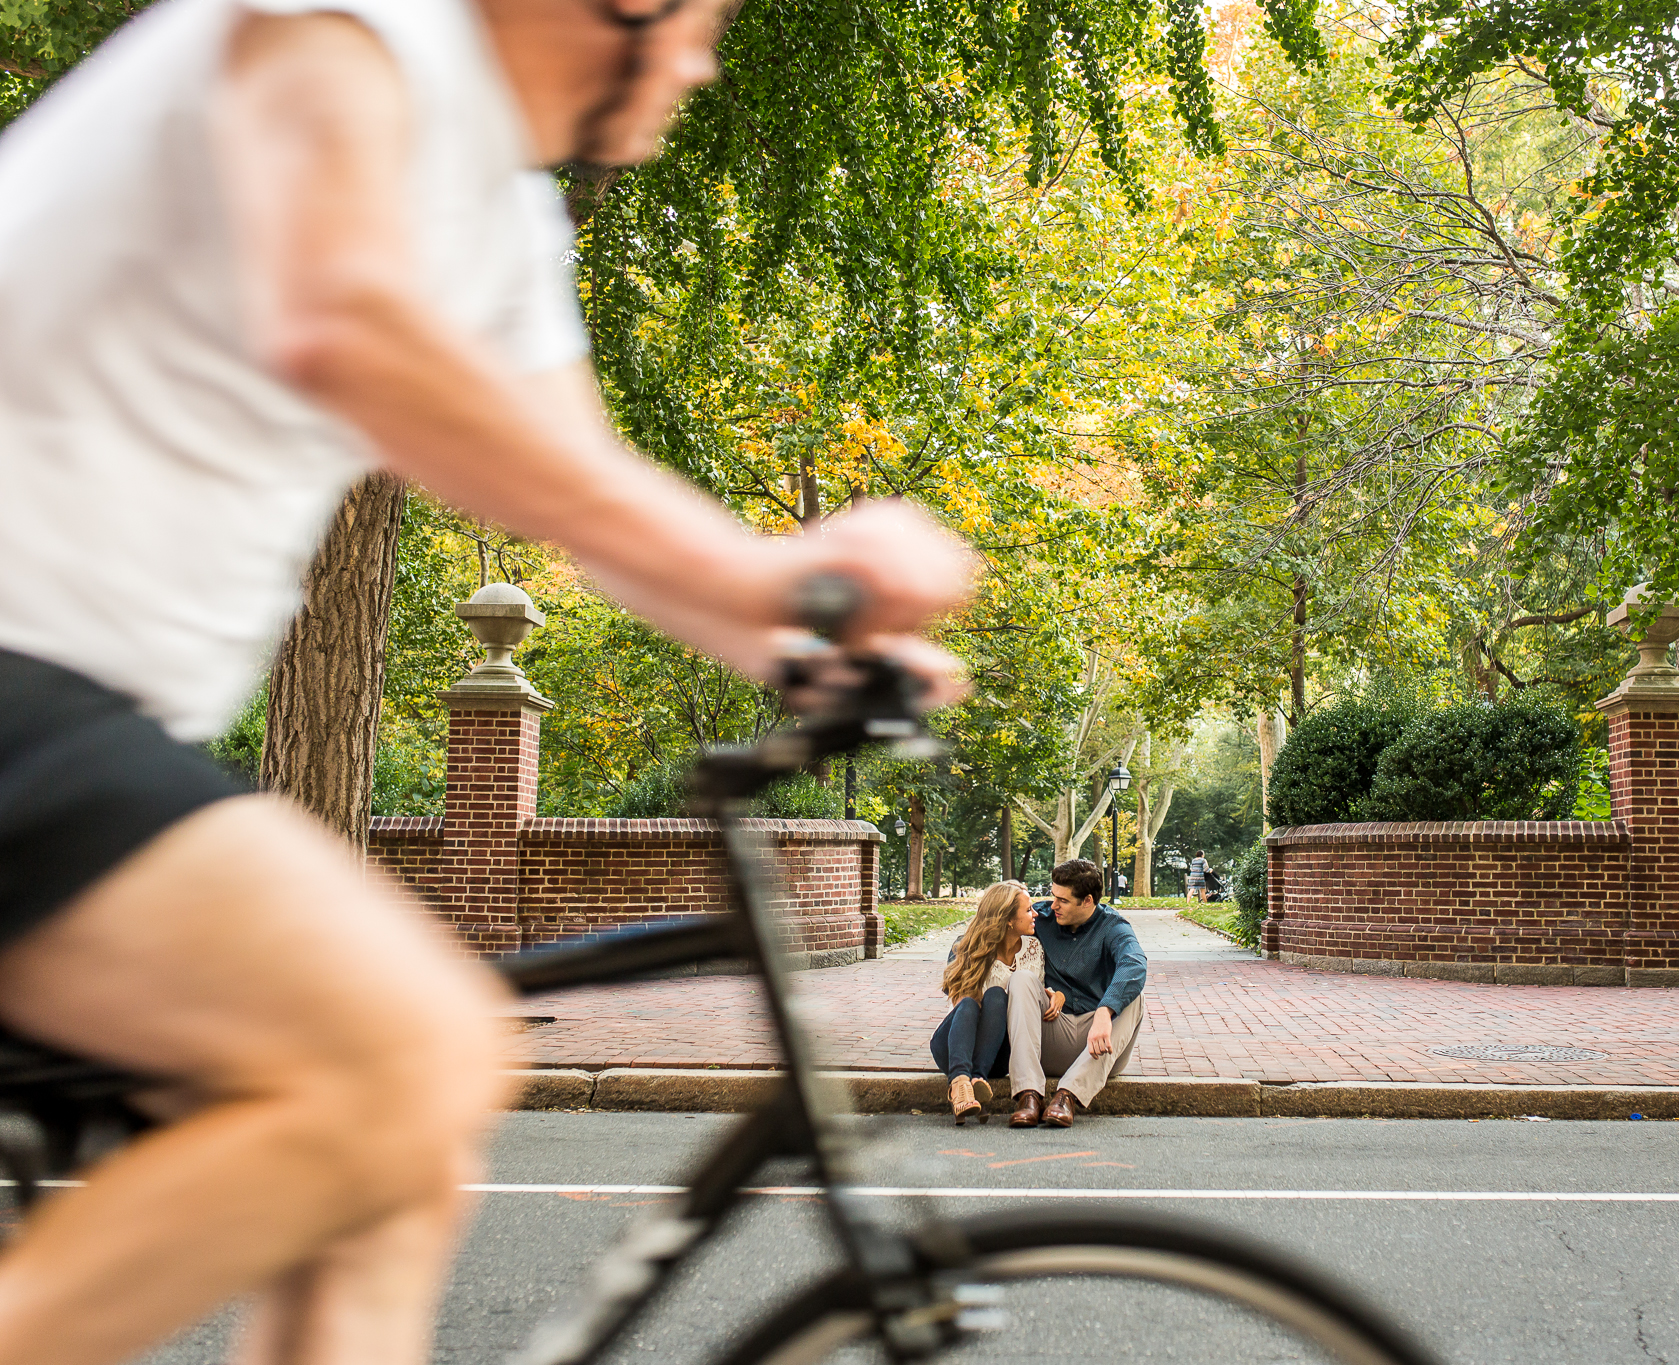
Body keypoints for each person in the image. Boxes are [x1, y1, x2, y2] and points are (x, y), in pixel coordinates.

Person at [0, 3, 975, 1365]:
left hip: (69, 705)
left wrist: (816, 641)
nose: (702, 62)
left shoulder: (509, 225)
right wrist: (774, 578)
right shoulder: (339, 27)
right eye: (700, 22)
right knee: (403, 1055)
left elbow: (590, 503)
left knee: (391, 1163)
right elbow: (340, 323)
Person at [1006, 860, 1147, 1129]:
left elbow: (1135, 963)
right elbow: (985, 931)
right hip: (1051, 1033)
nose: (1053, 905)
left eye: (1063, 900)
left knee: (1135, 997)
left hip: (1098, 1046)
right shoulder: (1043, 919)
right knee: (1022, 979)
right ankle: (1029, 1096)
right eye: (1053, 896)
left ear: (1087, 901)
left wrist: (1106, 1012)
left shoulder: (1113, 927)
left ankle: (1067, 1096)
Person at [929, 881, 1041, 1124]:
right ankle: (962, 1082)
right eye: (1029, 910)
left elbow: (1039, 994)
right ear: (1008, 919)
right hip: (956, 1047)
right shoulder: (965, 947)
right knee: (970, 1002)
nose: (1036, 914)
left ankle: (976, 1081)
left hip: (998, 1054)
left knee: (996, 996)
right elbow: (959, 1002)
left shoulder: (1034, 949)